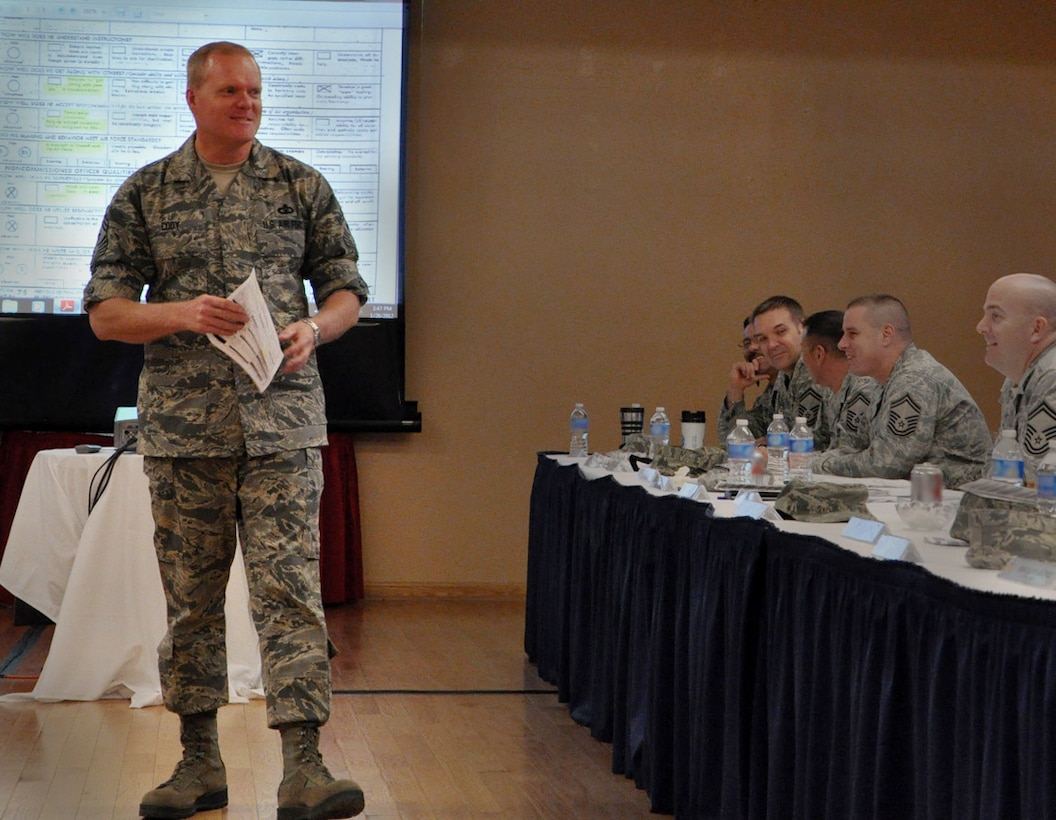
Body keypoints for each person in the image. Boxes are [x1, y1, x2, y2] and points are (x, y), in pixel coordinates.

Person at [84, 42, 368, 820]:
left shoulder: (300, 185)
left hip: (282, 427)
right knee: (192, 603)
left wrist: (316, 327)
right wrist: (180, 313)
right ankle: (198, 762)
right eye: (231, 92)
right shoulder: (146, 192)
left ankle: (305, 767)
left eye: (255, 92)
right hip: (186, 433)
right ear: (193, 99)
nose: (247, 104)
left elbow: (347, 289)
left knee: (291, 593)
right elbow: (106, 313)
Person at [812, 294, 990, 487]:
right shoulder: (882, 382)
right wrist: (811, 461)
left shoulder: (915, 379)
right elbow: (854, 447)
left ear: (886, 334)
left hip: (955, 496)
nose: (842, 344)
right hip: (921, 494)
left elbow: (885, 466)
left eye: (852, 334)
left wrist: (814, 464)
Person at [718, 296, 831, 447]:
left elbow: (814, 445)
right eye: (763, 339)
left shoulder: (818, 372)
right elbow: (735, 441)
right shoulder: (783, 379)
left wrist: (768, 444)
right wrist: (735, 391)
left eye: (781, 331)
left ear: (802, 328)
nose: (771, 345)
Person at [976, 272, 1056, 482]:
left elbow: (1037, 480)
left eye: (995, 316)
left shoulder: (1052, 378)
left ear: (1037, 328)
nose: (981, 327)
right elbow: (1003, 470)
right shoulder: (1019, 377)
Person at [801, 310, 880, 451]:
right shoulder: (830, 391)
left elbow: (849, 453)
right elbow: (819, 440)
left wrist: (792, 458)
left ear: (819, 354)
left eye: (804, 353)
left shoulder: (863, 390)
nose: (803, 361)